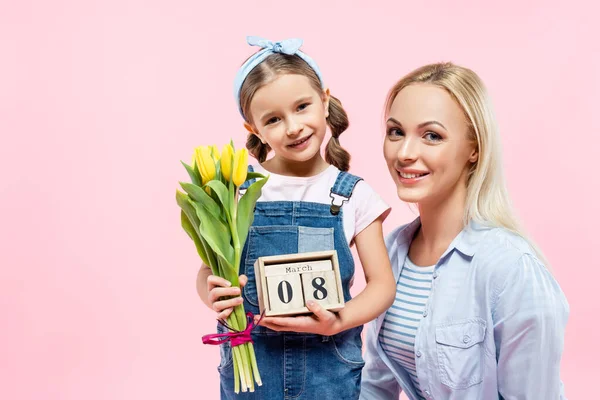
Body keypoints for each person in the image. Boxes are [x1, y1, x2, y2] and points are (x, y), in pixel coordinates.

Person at [197, 36, 396, 399]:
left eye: (302, 106)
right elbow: (211, 269)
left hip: (329, 365)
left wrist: (340, 320)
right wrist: (212, 293)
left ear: (324, 100)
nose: (293, 127)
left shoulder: (354, 195)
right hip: (252, 366)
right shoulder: (239, 191)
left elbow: (382, 285)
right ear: (254, 130)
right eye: (273, 119)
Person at [360, 62, 569, 400]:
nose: (405, 153)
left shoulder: (510, 267)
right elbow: (375, 385)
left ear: (474, 149)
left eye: (432, 136)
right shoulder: (392, 251)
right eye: (396, 132)